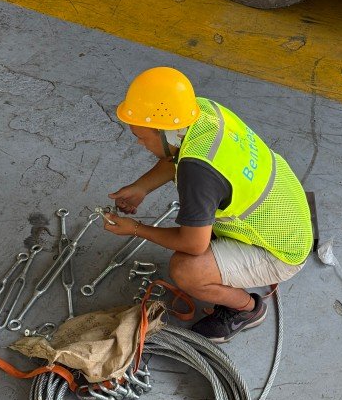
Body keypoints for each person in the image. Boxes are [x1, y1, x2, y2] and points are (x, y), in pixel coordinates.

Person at [104, 67, 313, 341]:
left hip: (281, 250)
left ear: (166, 132)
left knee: (185, 269)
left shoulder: (198, 173)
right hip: (287, 209)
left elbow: (194, 245)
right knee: (198, 228)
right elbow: (178, 154)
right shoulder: (201, 111)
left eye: (142, 138)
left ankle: (246, 309)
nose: (141, 144)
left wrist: (136, 229)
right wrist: (141, 187)